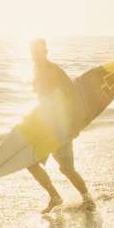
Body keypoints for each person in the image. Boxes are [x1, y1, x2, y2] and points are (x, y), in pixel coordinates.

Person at [26, 39, 93, 213]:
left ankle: (88, 199)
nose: (34, 55)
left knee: (66, 168)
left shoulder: (54, 71)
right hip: (44, 126)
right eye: (32, 52)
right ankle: (55, 196)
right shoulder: (36, 69)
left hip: (60, 127)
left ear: (46, 51)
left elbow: (74, 96)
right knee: (30, 163)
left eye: (38, 51)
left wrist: (75, 126)